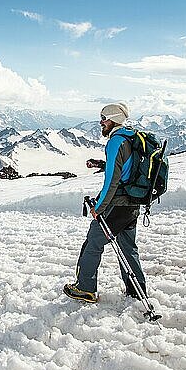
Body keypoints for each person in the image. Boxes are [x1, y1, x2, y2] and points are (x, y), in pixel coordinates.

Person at [64, 103, 147, 303]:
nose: (101, 122)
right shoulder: (130, 137)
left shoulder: (115, 142)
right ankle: (137, 290)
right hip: (132, 204)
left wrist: (98, 207)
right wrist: (101, 164)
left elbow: (112, 180)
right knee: (128, 247)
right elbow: (125, 168)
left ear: (114, 119)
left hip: (116, 205)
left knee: (92, 244)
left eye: (104, 118)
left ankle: (85, 289)